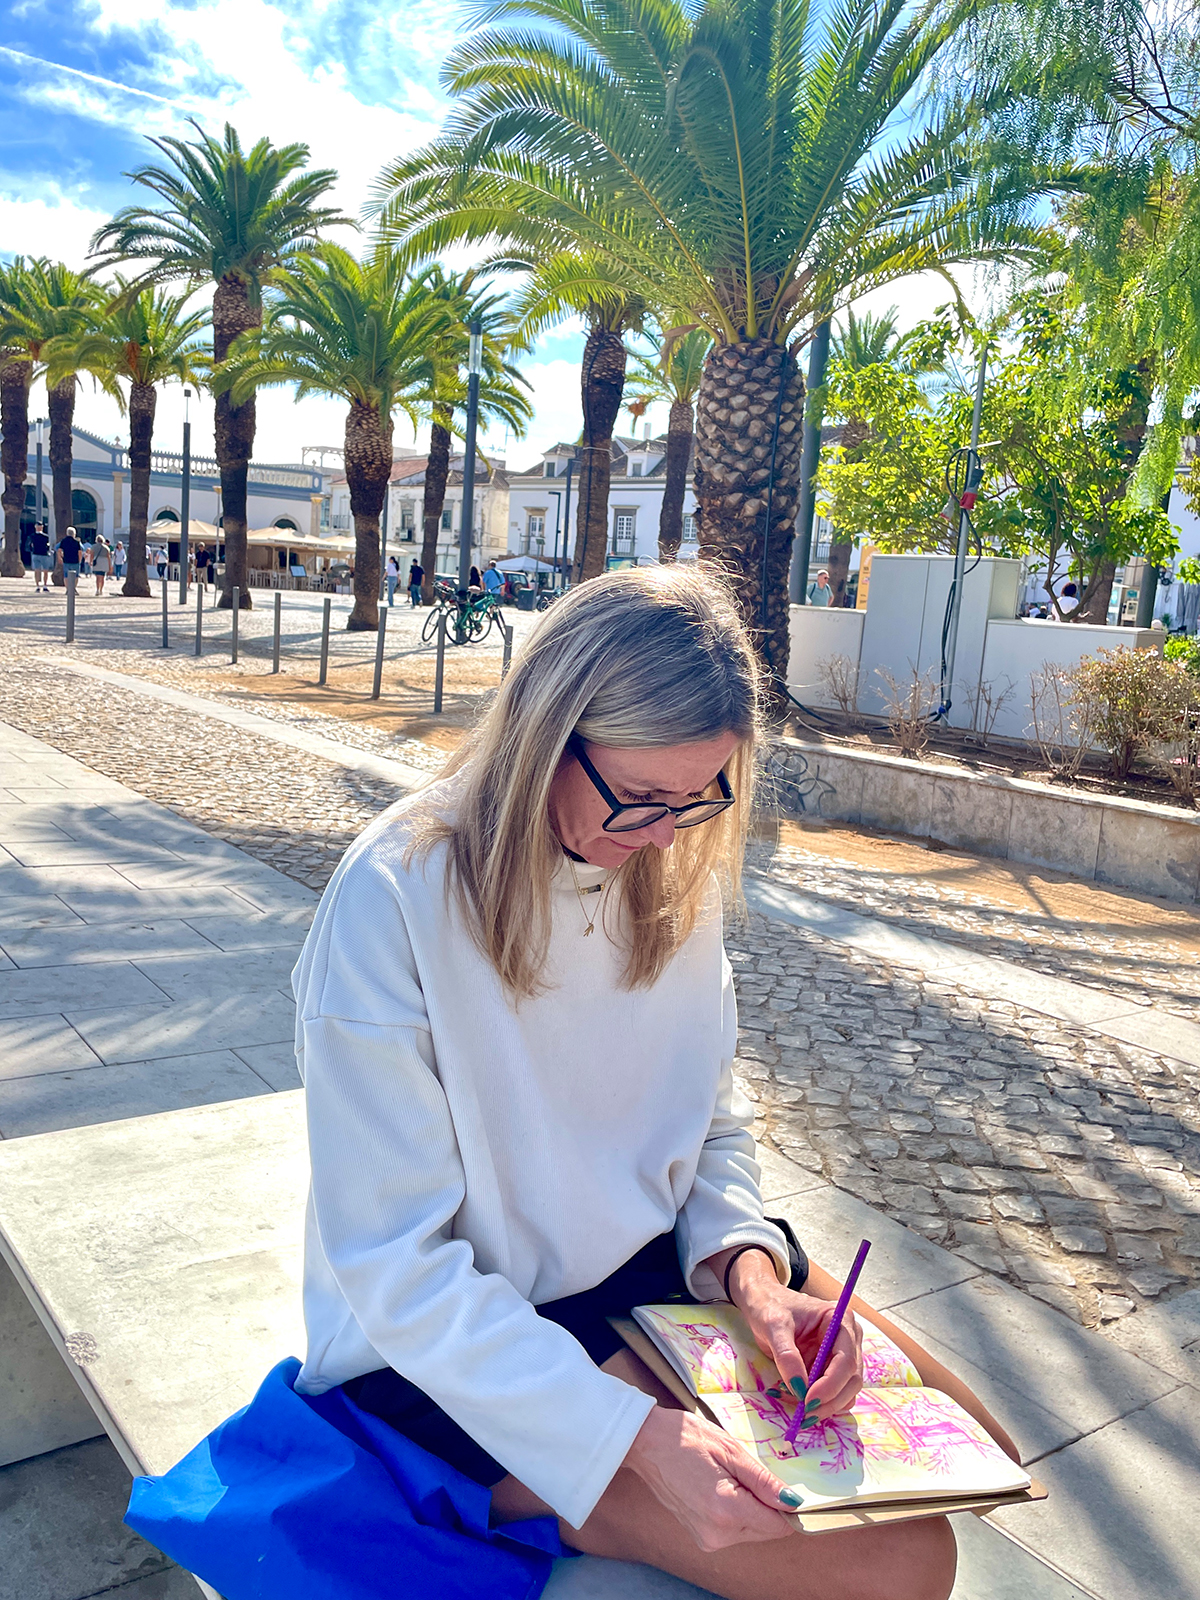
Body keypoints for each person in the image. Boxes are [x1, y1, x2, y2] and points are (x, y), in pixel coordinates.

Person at [287, 567, 1015, 1600]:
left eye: (701, 794)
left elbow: (714, 1120)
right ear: (547, 732)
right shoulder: (395, 893)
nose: (670, 832)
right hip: (460, 1349)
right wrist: (629, 1436)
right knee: (903, 1561)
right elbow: (397, 1269)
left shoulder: (665, 867)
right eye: (642, 796)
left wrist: (748, 1267)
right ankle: (534, 1499)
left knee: (983, 1448)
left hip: (657, 1285)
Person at [28, 523, 52, 592]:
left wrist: (32, 550)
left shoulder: (32, 536)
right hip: (44, 554)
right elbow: (48, 546)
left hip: (36, 553)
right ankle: (44, 585)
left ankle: (38, 585)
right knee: (45, 570)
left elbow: (30, 545)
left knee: (37, 570)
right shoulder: (45, 537)